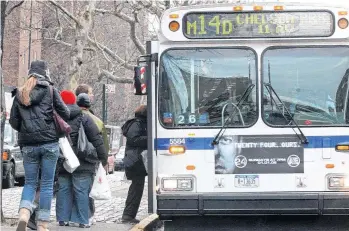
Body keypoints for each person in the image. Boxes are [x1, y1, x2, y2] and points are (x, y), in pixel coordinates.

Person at [9, 60, 70, 231]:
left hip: (28, 145)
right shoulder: (50, 90)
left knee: (29, 182)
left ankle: (24, 213)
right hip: (49, 143)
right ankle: (42, 224)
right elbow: (65, 112)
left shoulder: (20, 93)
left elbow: (14, 121)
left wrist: (27, 128)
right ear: (45, 73)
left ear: (30, 73)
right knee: (46, 184)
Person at [55, 91, 108, 228]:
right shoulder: (84, 118)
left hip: (62, 160)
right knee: (81, 190)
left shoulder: (56, 117)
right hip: (83, 160)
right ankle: (82, 220)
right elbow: (97, 140)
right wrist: (103, 158)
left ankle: (63, 219)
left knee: (64, 189)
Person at [75, 84, 109, 224]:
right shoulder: (94, 120)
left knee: (73, 188)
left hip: (70, 158)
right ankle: (88, 216)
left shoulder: (67, 114)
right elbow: (102, 142)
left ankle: (73, 216)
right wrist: (104, 158)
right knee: (87, 188)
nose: (93, 95)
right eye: (91, 93)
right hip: (89, 158)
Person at [121, 105, 147, 223]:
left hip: (134, 159)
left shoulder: (137, 123)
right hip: (136, 160)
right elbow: (134, 139)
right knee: (136, 188)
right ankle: (128, 215)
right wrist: (150, 138)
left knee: (137, 187)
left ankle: (129, 215)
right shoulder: (137, 124)